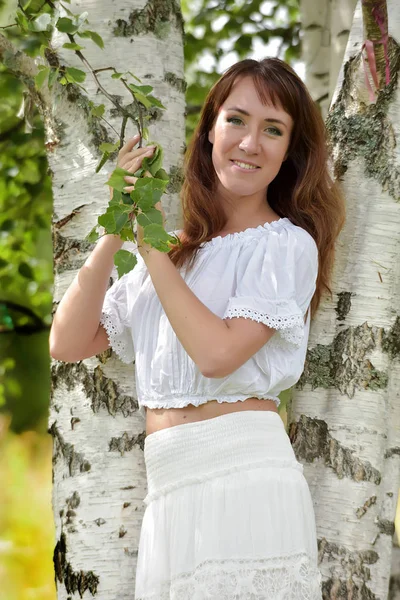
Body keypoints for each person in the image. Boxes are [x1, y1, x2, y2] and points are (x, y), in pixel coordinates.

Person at [50, 57, 345, 599]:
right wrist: (118, 224)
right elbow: (67, 343)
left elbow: (216, 355)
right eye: (236, 120)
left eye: (273, 130)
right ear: (210, 129)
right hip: (170, 486)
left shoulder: (285, 245)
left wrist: (150, 243)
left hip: (244, 474)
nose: (250, 143)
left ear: (290, 152)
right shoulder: (176, 250)